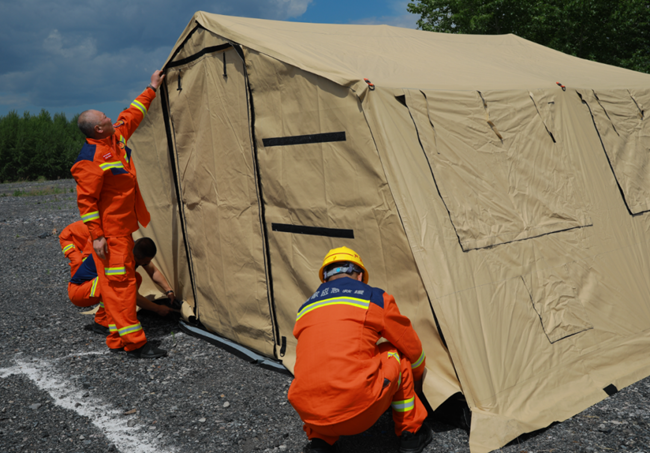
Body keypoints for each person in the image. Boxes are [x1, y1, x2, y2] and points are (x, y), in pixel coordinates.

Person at [288, 247, 433, 453]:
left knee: (318, 360)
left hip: (310, 414)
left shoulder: (305, 308)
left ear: (325, 279)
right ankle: (411, 434)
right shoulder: (374, 297)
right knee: (395, 350)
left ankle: (321, 443)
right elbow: (411, 346)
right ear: (361, 275)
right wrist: (417, 376)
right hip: (359, 413)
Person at [71, 69, 166, 359]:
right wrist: (97, 237)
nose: (111, 119)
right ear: (98, 129)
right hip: (110, 236)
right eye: (105, 119)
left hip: (122, 229)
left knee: (116, 286)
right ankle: (135, 343)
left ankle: (116, 337)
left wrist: (151, 88)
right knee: (121, 287)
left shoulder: (115, 139)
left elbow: (131, 115)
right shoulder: (89, 161)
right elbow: (86, 203)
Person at [59, 221, 178, 336]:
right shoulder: (121, 261)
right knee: (115, 283)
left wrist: (168, 290)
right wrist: (157, 309)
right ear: (136, 257)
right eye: (145, 262)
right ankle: (101, 322)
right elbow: (134, 296)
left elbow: (153, 271)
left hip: (90, 286)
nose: (147, 264)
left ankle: (108, 316)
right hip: (78, 292)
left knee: (135, 278)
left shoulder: (132, 247)